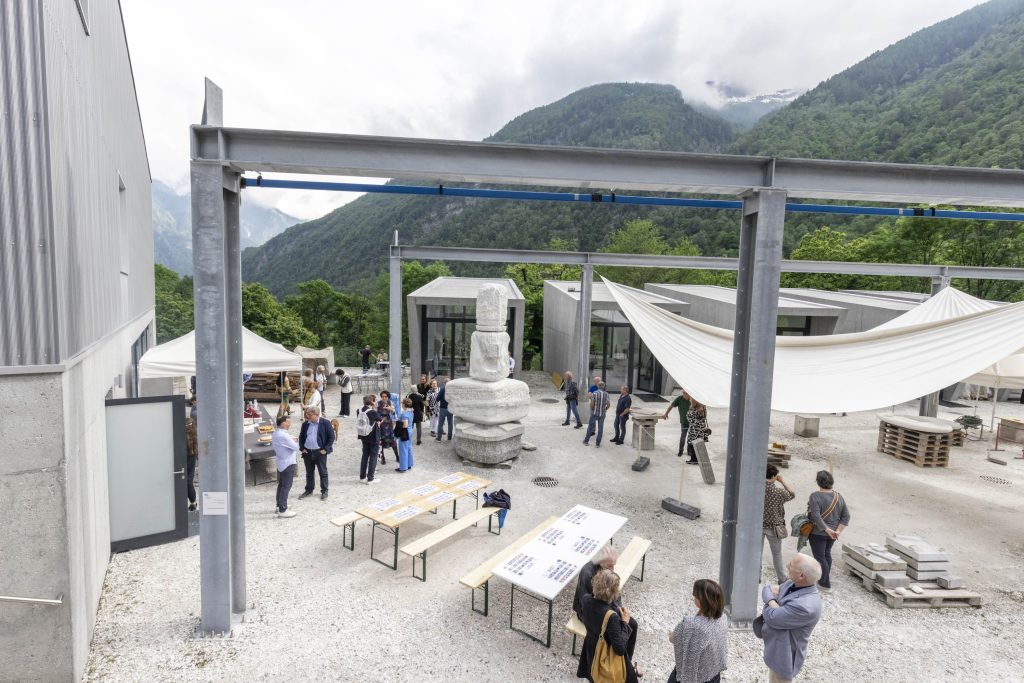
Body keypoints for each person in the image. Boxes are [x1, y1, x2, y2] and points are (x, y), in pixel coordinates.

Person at [759, 554, 823, 682]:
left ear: (801, 576)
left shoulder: (805, 606)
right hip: (776, 645)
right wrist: (773, 603)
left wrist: (770, 600)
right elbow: (768, 589)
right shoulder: (792, 583)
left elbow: (771, 617)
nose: (787, 565)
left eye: (791, 565)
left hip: (785, 656)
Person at [576, 569, 640, 683]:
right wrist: (625, 622)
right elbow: (619, 648)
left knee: (595, 676)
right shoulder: (611, 616)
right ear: (614, 592)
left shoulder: (585, 599)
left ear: (594, 584)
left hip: (591, 648)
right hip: (605, 655)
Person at [668, 579, 728, 683]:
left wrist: (671, 636)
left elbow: (675, 638)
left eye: (695, 595)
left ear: (701, 601)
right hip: (713, 673)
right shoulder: (723, 618)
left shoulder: (691, 624)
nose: (693, 597)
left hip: (694, 676)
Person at [807, 470, 850, 593]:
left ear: (818, 482)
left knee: (820, 557)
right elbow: (846, 516)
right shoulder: (838, 496)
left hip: (818, 533)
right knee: (826, 555)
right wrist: (837, 531)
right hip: (833, 534)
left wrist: (826, 529)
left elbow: (815, 516)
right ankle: (823, 580)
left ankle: (824, 584)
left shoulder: (814, 496)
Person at [762, 465, 795, 583]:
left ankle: (756, 576)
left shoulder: (756, 489)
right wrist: (783, 482)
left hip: (758, 526)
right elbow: (792, 494)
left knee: (756, 553)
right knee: (777, 554)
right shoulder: (779, 492)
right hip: (774, 528)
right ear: (773, 477)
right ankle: (781, 578)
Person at [298, 406, 334, 501]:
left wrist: (325, 449)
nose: (307, 416)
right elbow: (301, 437)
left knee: (323, 472)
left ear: (317, 415)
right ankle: (309, 490)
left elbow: (331, 437)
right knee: (309, 473)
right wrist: (302, 448)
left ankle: (324, 491)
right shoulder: (305, 424)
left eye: (310, 415)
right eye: (307, 414)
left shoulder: (325, 423)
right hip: (307, 452)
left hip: (320, 452)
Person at [271, 414, 299, 518]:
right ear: (283, 423)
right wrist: (297, 441)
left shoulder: (277, 433)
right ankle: (283, 510)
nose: (290, 424)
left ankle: (279, 505)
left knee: (281, 485)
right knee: (286, 486)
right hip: (288, 463)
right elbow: (296, 447)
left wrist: (292, 439)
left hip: (281, 462)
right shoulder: (283, 435)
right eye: (288, 422)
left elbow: (289, 440)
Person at [356, 395, 381, 484]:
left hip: (363, 436)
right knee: (373, 457)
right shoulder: (372, 412)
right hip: (373, 436)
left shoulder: (358, 410)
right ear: (371, 402)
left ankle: (362, 476)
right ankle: (370, 478)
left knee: (365, 456)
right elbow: (379, 418)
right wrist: (374, 407)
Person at [661, 389, 692, 458]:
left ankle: (689, 451)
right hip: (684, 421)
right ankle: (680, 451)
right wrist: (666, 414)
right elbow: (671, 406)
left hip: (692, 422)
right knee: (683, 436)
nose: (684, 395)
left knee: (690, 437)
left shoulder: (692, 399)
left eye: (686, 393)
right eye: (683, 393)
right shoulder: (679, 399)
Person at [582, 381, 610, 447]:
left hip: (594, 413)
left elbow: (592, 403)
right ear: (603, 386)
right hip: (602, 414)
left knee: (590, 427)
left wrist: (592, 409)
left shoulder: (594, 393)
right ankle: (598, 443)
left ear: (598, 386)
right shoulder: (606, 394)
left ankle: (586, 441)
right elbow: (608, 405)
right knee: (600, 429)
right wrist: (605, 409)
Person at [684, 399, 710, 464]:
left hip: (695, 429)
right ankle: (697, 459)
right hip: (701, 428)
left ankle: (694, 459)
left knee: (693, 444)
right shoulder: (703, 407)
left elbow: (690, 418)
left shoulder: (694, 409)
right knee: (698, 444)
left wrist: (689, 411)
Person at [396, 398, 415, 472]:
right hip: (410, 431)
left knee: (403, 449)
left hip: (404, 432)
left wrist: (398, 426)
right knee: (409, 447)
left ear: (404, 404)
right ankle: (409, 464)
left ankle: (403, 467)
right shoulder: (411, 411)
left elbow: (405, 425)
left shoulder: (404, 413)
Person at [185, 416, 198, 511]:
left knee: (188, 482)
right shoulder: (195, 434)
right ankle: (193, 503)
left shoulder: (185, 436)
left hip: (189, 458)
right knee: (188, 482)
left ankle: (193, 502)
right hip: (191, 458)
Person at [435, 377, 453, 441]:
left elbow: (437, 398)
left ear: (445, 383)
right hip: (450, 408)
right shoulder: (452, 389)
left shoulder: (442, 389)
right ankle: (449, 437)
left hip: (443, 408)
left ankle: (439, 438)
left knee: (441, 423)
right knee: (450, 423)